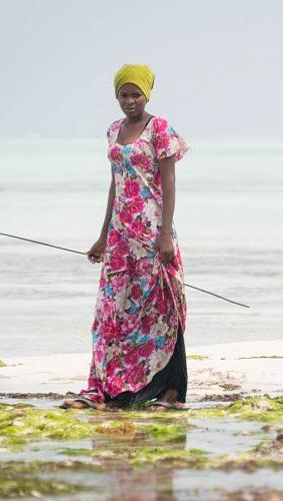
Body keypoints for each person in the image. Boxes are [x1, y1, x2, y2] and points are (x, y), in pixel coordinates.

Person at [62, 64, 189, 411]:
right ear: (116, 96)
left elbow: (169, 182)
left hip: (151, 235)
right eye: (123, 94)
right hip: (120, 237)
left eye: (136, 94)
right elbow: (115, 184)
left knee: (162, 309)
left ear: (147, 94)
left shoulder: (159, 129)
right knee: (111, 311)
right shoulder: (113, 130)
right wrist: (103, 235)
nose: (130, 100)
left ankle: (170, 392)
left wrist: (165, 235)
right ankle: (102, 390)